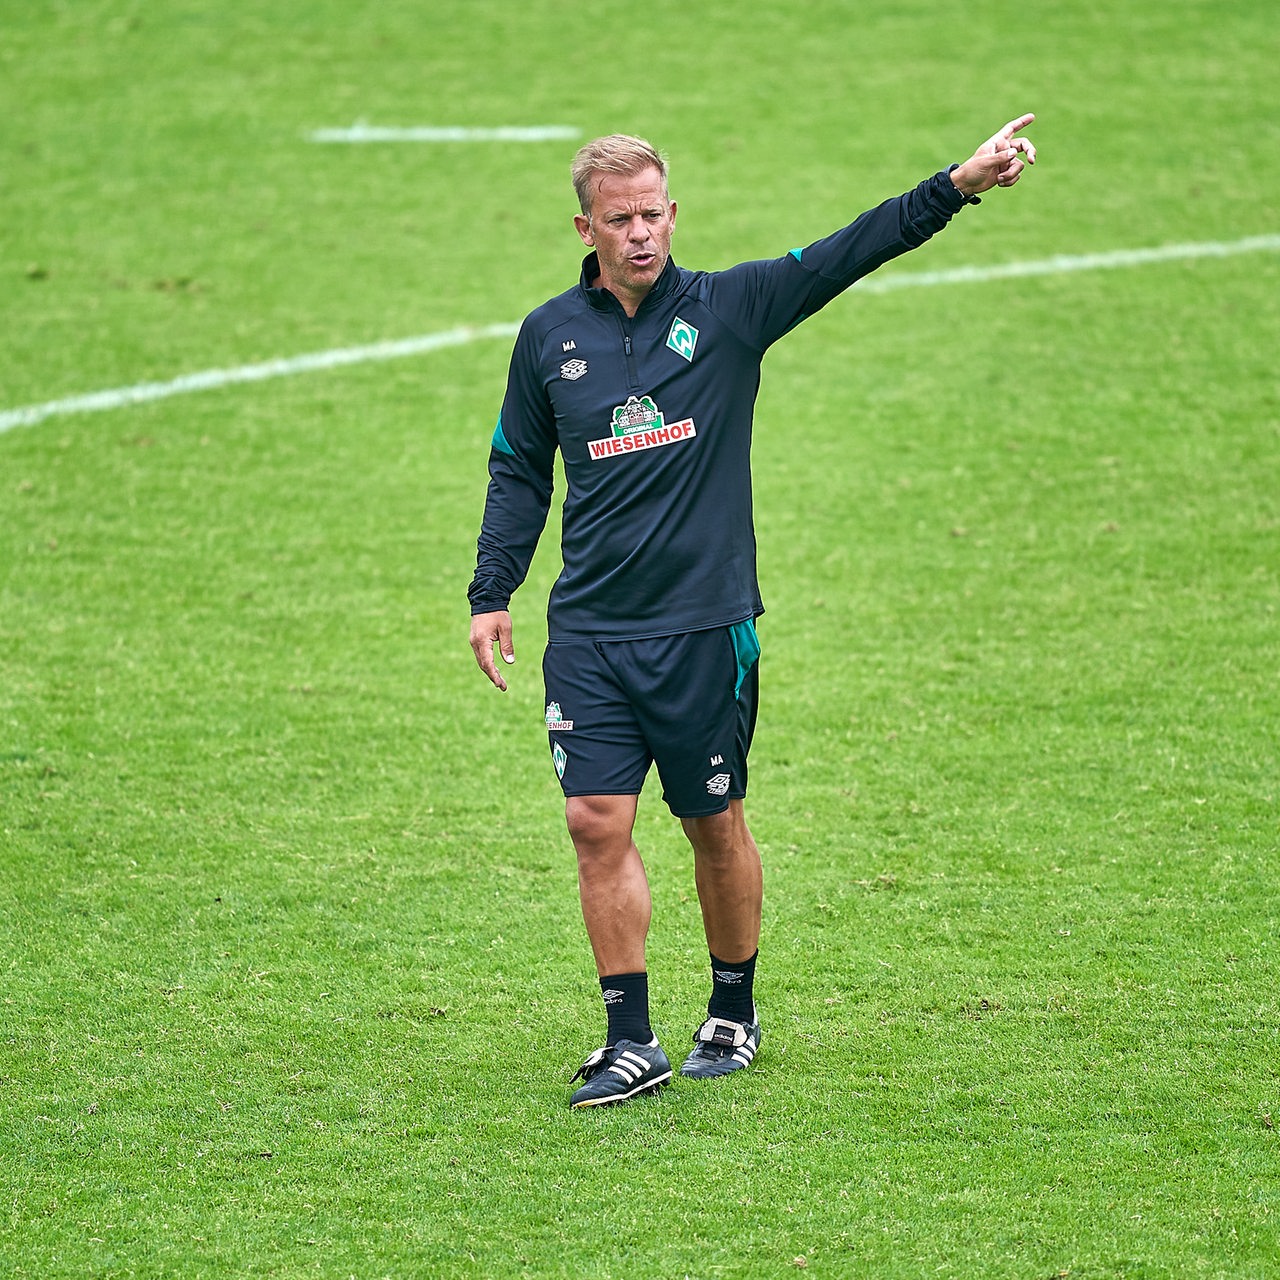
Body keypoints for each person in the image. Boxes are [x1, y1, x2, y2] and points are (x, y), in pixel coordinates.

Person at [469, 117, 1037, 1108]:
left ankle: (731, 1006)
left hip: (702, 629)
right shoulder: (547, 336)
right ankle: (628, 1037)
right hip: (591, 633)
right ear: (584, 226)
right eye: (618, 219)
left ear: (672, 212)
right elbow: (518, 466)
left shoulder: (732, 307)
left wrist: (961, 180)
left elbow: (853, 246)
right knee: (593, 819)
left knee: (710, 822)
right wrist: (491, 590)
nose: (639, 232)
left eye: (652, 213)